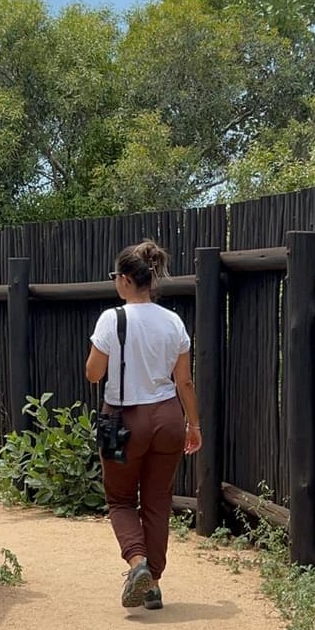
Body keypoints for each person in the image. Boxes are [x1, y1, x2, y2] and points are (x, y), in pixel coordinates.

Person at [85, 239, 202, 610]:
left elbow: (93, 374)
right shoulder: (173, 321)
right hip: (168, 418)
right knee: (157, 501)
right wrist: (194, 425)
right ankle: (153, 584)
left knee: (120, 499)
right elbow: (184, 381)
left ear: (124, 279)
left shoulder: (112, 319)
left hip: (124, 419)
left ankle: (137, 563)